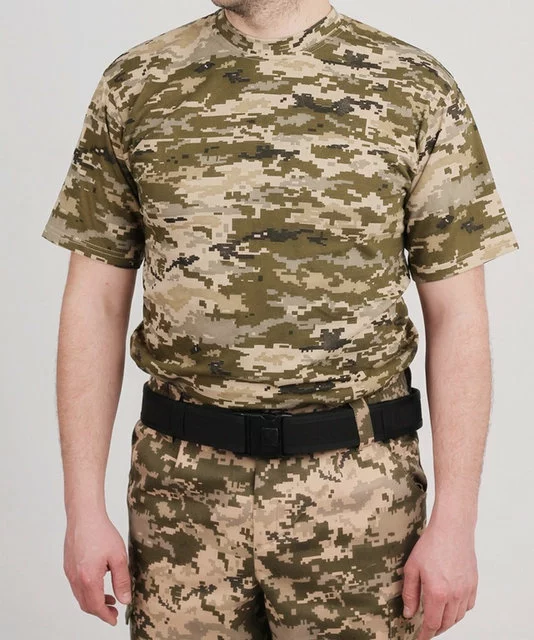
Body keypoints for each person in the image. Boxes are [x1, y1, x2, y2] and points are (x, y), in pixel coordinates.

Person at [41, 1, 520, 638]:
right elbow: (94, 303)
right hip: (179, 494)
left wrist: (456, 522)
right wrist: (82, 509)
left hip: (359, 498)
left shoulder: (414, 87)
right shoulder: (137, 82)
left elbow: (458, 315)